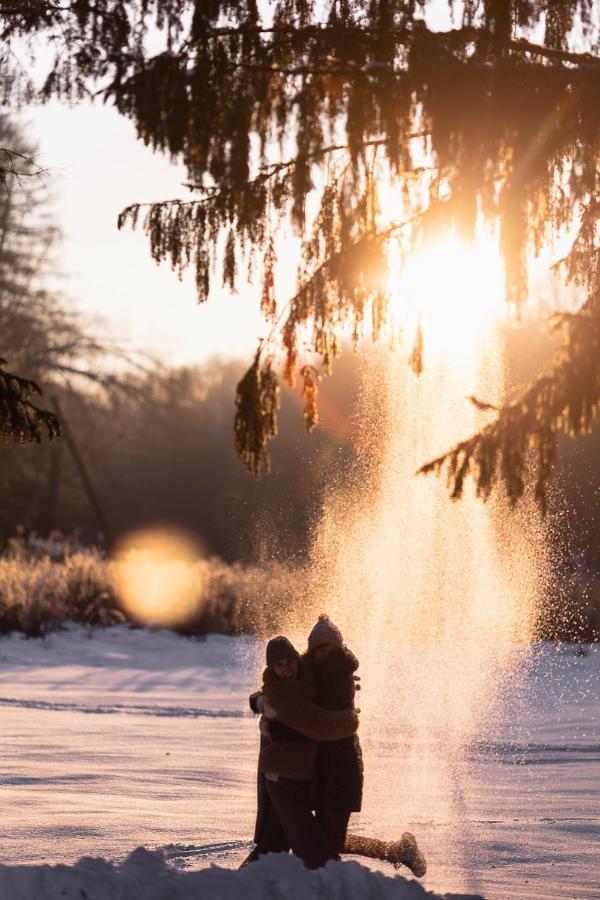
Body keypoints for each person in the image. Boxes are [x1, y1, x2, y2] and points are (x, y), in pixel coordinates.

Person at [304, 614, 427, 878]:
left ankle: (394, 853)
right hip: (319, 767)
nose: (323, 654)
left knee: (329, 842)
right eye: (318, 649)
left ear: (337, 649)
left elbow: (321, 717)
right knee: (322, 839)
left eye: (328, 648)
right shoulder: (312, 675)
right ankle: (396, 851)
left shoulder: (337, 677)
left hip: (340, 768)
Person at [242, 635, 358, 869]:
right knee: (310, 844)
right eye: (280, 665)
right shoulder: (282, 695)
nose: (287, 669)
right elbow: (319, 726)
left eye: (290, 662)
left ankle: (241, 882)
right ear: (272, 669)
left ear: (297, 659)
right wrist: (351, 719)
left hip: (298, 776)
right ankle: (333, 878)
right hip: (282, 778)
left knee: (274, 844)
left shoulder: (300, 685)